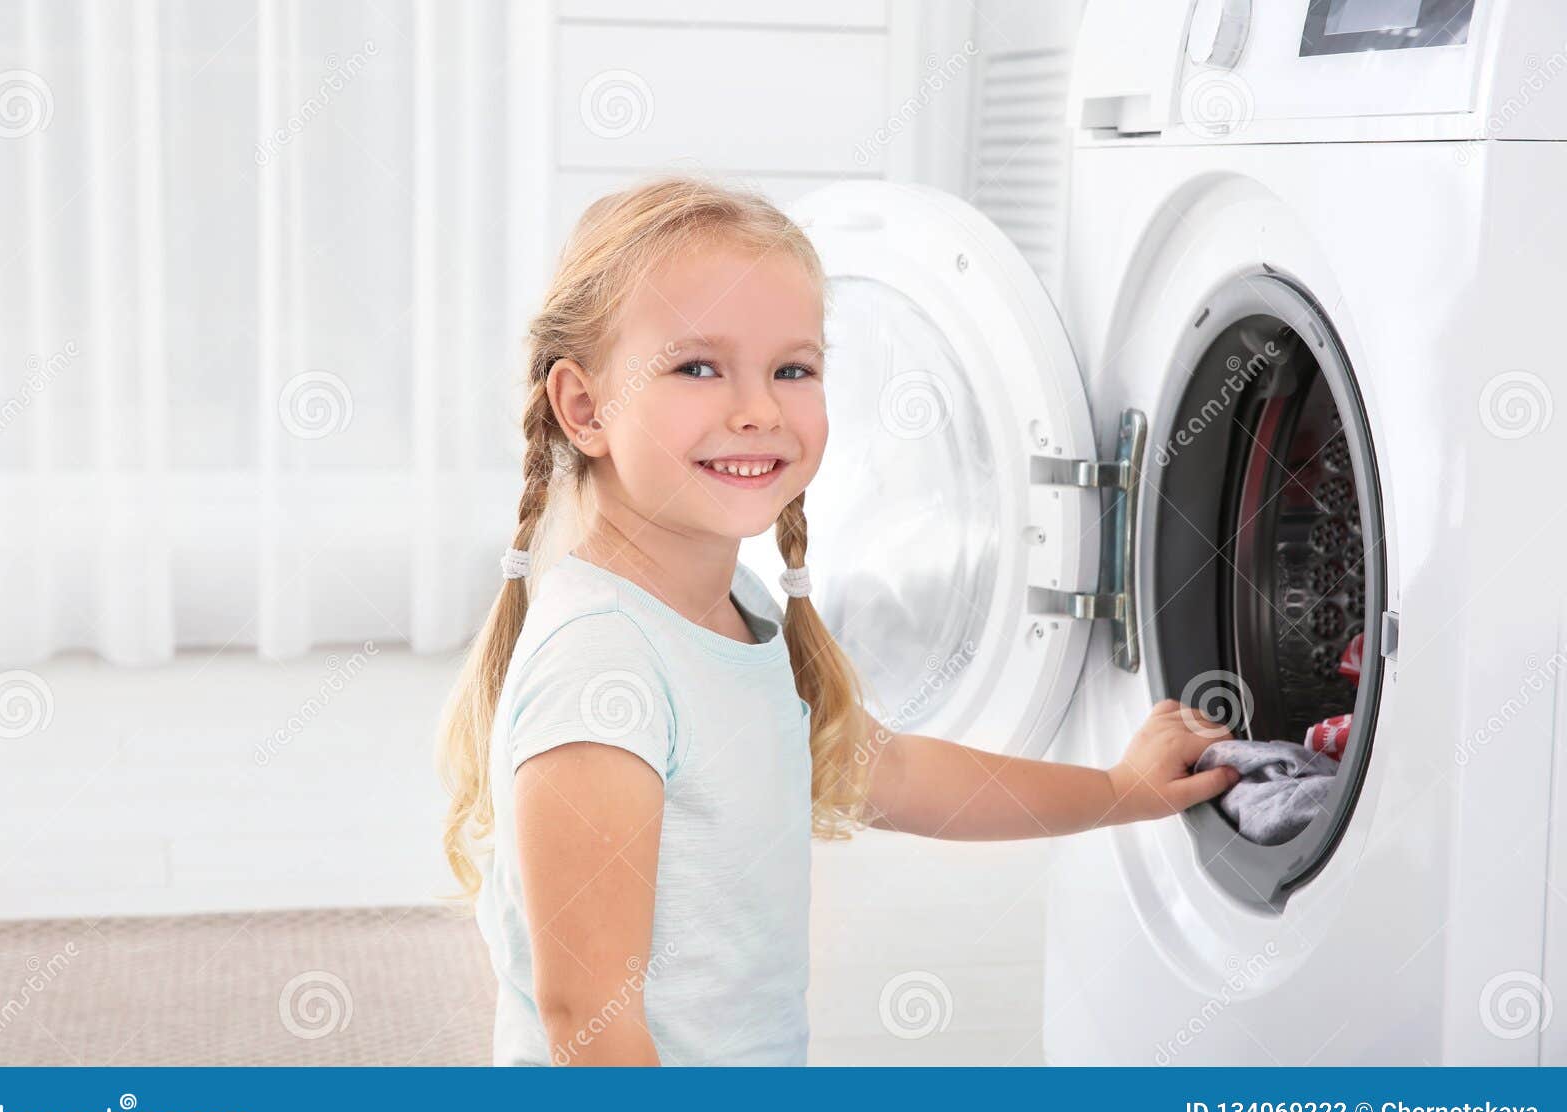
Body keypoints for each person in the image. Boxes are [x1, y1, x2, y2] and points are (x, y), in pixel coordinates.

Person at [435, 175, 1238, 1066]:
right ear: (584, 408)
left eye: (794, 368)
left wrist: (1121, 790)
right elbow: (587, 1020)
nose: (759, 409)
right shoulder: (602, 668)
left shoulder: (734, 611)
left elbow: (891, 771)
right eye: (697, 366)